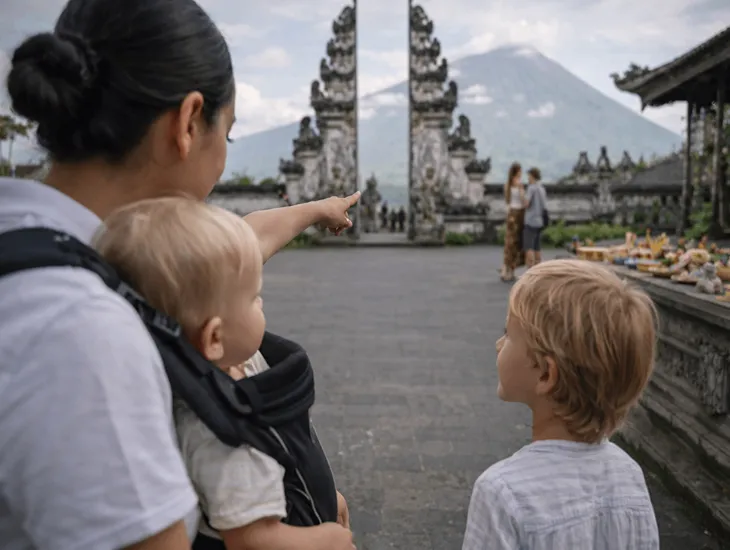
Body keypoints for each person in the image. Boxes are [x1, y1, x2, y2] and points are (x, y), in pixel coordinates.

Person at [0, 0, 356, 548]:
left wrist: (314, 209)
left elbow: (236, 245)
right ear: (188, 123)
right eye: (228, 135)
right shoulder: (83, 330)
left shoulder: (55, 241)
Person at [93, 198, 354, 550]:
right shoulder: (222, 433)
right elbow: (251, 537)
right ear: (215, 337)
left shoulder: (235, 370)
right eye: (253, 298)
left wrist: (323, 496)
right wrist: (322, 540)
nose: (261, 303)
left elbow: (281, 464)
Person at [462, 260, 659, 550]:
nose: (498, 344)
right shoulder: (628, 475)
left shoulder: (502, 492)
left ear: (545, 373)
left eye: (508, 334)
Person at [500, 162, 525, 282]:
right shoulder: (516, 185)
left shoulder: (509, 185)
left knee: (516, 243)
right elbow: (521, 200)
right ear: (517, 171)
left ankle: (511, 270)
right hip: (516, 212)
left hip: (515, 213)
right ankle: (506, 269)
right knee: (511, 243)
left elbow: (507, 202)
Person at [522, 167, 547, 268]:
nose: (528, 178)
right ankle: (538, 269)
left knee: (529, 246)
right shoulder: (542, 188)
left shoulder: (531, 188)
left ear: (532, 176)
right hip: (540, 221)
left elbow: (526, 203)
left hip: (531, 220)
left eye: (528, 176)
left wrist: (521, 194)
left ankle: (530, 271)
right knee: (537, 247)